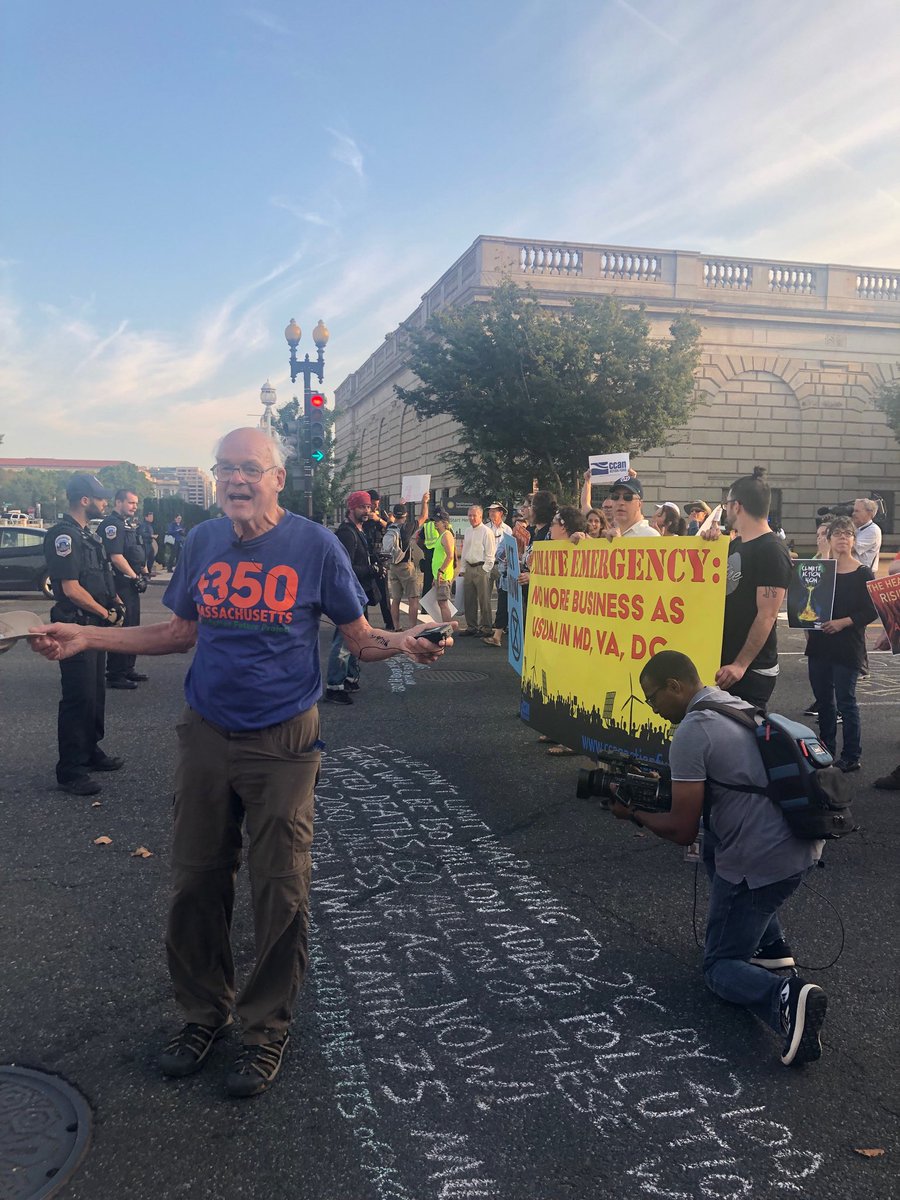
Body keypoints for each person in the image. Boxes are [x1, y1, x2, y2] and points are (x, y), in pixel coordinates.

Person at [30, 429, 453, 1098]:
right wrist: (87, 635)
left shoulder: (315, 546)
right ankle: (204, 1013)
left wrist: (405, 642)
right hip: (206, 731)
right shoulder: (202, 541)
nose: (236, 479)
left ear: (277, 478)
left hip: (284, 740)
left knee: (279, 887)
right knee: (196, 882)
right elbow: (178, 632)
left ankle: (264, 1029)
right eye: (225, 468)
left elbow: (360, 640)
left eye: (250, 468)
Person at [610, 650, 827, 1068]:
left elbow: (682, 829)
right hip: (799, 841)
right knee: (713, 849)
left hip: (762, 859)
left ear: (675, 686)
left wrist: (633, 814)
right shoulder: (730, 704)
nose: (652, 708)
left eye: (652, 698)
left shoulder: (693, 731)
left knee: (718, 966)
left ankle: (784, 997)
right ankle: (770, 943)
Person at [42, 474, 125, 797]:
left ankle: (90, 750)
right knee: (78, 697)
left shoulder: (87, 536)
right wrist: (105, 613)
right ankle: (71, 769)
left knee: (95, 692)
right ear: (85, 500)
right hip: (75, 624)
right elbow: (70, 588)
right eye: (101, 498)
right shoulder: (64, 536)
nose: (105, 503)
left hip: (93, 625)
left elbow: (99, 576)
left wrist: (114, 601)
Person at [707, 467, 792, 710]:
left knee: (742, 732)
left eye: (726, 504)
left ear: (737, 506)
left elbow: (767, 615)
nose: (725, 510)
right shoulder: (736, 545)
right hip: (726, 664)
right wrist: (707, 545)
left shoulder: (771, 550)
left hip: (751, 670)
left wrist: (740, 664)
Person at [804, 517, 877, 773]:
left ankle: (851, 755)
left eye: (848, 533)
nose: (843, 537)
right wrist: (824, 558)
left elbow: (871, 610)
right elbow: (806, 599)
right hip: (820, 644)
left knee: (846, 702)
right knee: (824, 701)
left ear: (854, 540)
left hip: (847, 645)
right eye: (838, 533)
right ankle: (825, 749)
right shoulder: (821, 570)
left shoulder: (863, 572)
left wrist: (843, 622)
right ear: (829, 539)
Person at [325, 491, 380, 704]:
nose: (366, 511)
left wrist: (374, 562)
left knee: (355, 637)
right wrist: (370, 569)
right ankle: (334, 686)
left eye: (368, 507)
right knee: (344, 640)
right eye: (362, 507)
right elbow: (344, 568)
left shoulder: (358, 530)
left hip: (357, 592)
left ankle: (348, 678)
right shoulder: (346, 533)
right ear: (351, 508)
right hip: (348, 594)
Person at [99, 489, 150, 689]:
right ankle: (115, 673)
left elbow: (136, 551)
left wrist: (144, 572)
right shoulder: (112, 525)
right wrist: (135, 577)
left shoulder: (127, 525)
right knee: (122, 627)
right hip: (119, 583)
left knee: (132, 626)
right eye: (130, 502)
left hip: (130, 583)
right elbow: (116, 557)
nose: (134, 506)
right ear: (118, 502)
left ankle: (128, 668)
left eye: (136, 503)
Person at [386, 493, 429, 631]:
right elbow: (423, 517)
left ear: (394, 515)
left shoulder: (389, 527)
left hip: (393, 565)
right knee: (413, 598)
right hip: (406, 566)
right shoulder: (407, 528)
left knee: (396, 599)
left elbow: (393, 518)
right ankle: (412, 628)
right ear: (406, 515)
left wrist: (400, 505)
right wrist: (424, 501)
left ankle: (397, 626)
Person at [457, 505, 496, 636]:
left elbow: (490, 553)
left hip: (481, 567)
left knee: (484, 600)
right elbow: (465, 551)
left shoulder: (486, 531)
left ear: (480, 516)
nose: (472, 518)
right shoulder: (468, 531)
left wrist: (485, 569)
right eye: (470, 515)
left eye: (474, 515)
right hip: (469, 567)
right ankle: (471, 626)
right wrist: (463, 568)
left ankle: (486, 627)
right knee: (469, 599)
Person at [362, 488, 394, 631]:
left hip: (380, 555)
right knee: (365, 590)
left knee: (384, 591)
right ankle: (365, 624)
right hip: (366, 555)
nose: (375, 506)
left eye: (377, 504)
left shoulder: (381, 514)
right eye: (373, 504)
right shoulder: (363, 515)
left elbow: (392, 528)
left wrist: (379, 520)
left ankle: (389, 622)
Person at [483, 502, 512, 645]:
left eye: (494, 511)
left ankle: (502, 626)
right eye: (490, 511)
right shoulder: (485, 528)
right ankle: (487, 626)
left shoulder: (507, 529)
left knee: (503, 597)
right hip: (488, 564)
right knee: (485, 596)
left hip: (501, 566)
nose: (491, 513)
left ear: (501, 513)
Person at [431, 510, 456, 624]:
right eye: (435, 521)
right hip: (439, 575)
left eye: (438, 521)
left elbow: (450, 556)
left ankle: (447, 627)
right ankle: (445, 626)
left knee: (443, 602)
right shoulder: (441, 535)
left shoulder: (446, 535)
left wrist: (441, 571)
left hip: (443, 576)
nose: (435, 523)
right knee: (441, 603)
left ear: (444, 522)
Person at [851, 498, 882, 573]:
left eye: (857, 511)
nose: (853, 514)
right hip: (854, 571)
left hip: (863, 574)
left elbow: (850, 548)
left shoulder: (873, 530)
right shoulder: (858, 528)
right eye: (853, 511)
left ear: (869, 513)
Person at [139, 511, 158, 576]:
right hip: (145, 543)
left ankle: (148, 572)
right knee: (145, 559)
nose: (152, 518)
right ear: (146, 517)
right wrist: (151, 536)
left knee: (151, 557)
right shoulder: (143, 525)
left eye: (152, 517)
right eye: (150, 517)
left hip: (150, 543)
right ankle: (144, 573)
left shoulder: (149, 525)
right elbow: (142, 533)